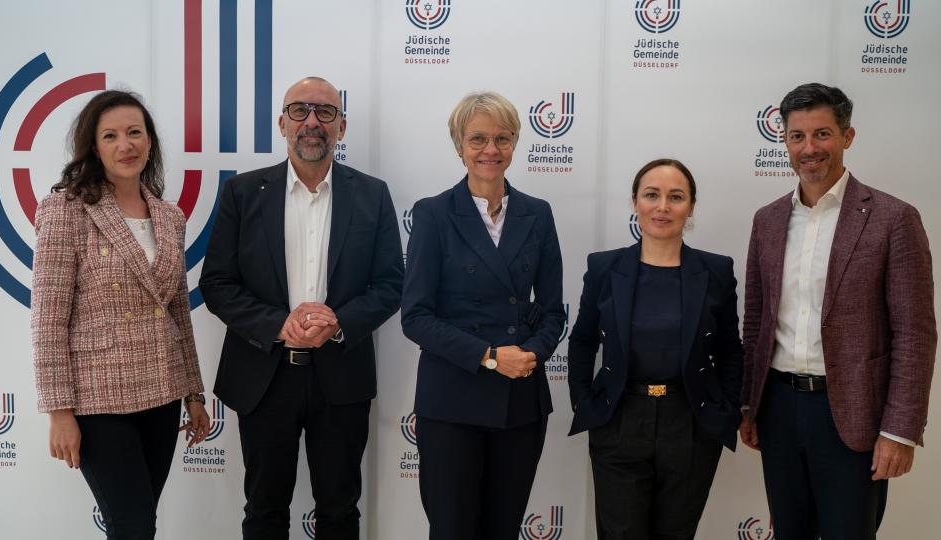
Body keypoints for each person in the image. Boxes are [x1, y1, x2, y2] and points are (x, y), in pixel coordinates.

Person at [199, 76, 403, 540]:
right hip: (264, 376)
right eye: (299, 111)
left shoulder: (373, 195)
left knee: (339, 509)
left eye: (325, 112)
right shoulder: (243, 193)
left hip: (342, 376)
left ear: (342, 127)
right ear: (281, 123)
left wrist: (338, 322)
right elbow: (216, 283)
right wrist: (279, 325)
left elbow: (391, 284)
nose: (312, 122)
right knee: (265, 510)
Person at [740, 83, 936, 539]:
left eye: (822, 134)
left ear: (847, 137)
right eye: (798, 136)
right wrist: (750, 404)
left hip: (852, 415)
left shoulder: (893, 218)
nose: (810, 148)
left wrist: (900, 430)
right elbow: (756, 321)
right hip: (779, 410)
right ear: (785, 141)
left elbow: (915, 333)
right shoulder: (767, 220)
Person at [30, 89, 209, 540]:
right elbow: (48, 318)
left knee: (140, 522)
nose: (125, 145)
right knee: (130, 525)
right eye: (110, 135)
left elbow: (178, 313)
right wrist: (59, 411)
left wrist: (194, 394)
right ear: (94, 147)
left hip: (163, 392)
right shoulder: (66, 209)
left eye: (134, 133)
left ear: (150, 142)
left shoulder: (170, 216)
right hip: (98, 399)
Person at [401, 91, 565, 540]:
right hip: (452, 398)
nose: (490, 150)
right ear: (459, 146)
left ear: (514, 143)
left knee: (503, 529)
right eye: (477, 139)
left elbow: (553, 311)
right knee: (452, 528)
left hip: (520, 398)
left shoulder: (539, 213)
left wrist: (529, 355)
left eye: (502, 138)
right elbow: (415, 316)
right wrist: (491, 356)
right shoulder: (433, 214)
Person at [566, 158, 743, 539]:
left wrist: (726, 408)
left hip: (691, 423)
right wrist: (583, 400)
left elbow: (731, 349)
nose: (662, 207)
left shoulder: (715, 271)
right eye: (652, 195)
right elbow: (582, 339)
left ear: (691, 206)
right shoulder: (604, 268)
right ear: (635, 202)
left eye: (675, 197)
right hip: (619, 419)